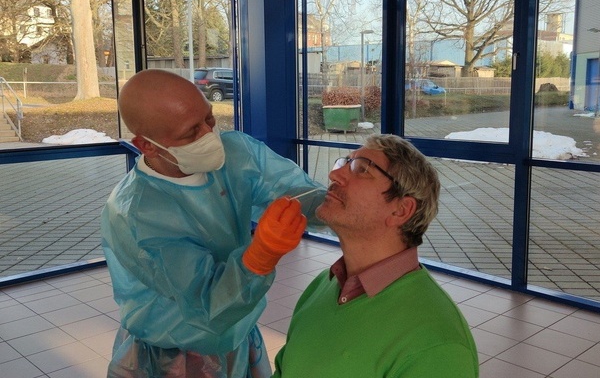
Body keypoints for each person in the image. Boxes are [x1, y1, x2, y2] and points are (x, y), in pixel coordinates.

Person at [101, 69, 325, 378]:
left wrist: (343, 202)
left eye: (209, 118)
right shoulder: (137, 214)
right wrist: (260, 256)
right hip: (174, 356)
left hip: (238, 334)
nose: (209, 134)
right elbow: (209, 304)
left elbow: (299, 194)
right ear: (146, 145)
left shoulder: (237, 154)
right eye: (191, 132)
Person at [272, 134, 479, 377]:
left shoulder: (438, 344)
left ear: (401, 210)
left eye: (362, 169)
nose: (334, 175)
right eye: (344, 163)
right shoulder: (321, 286)